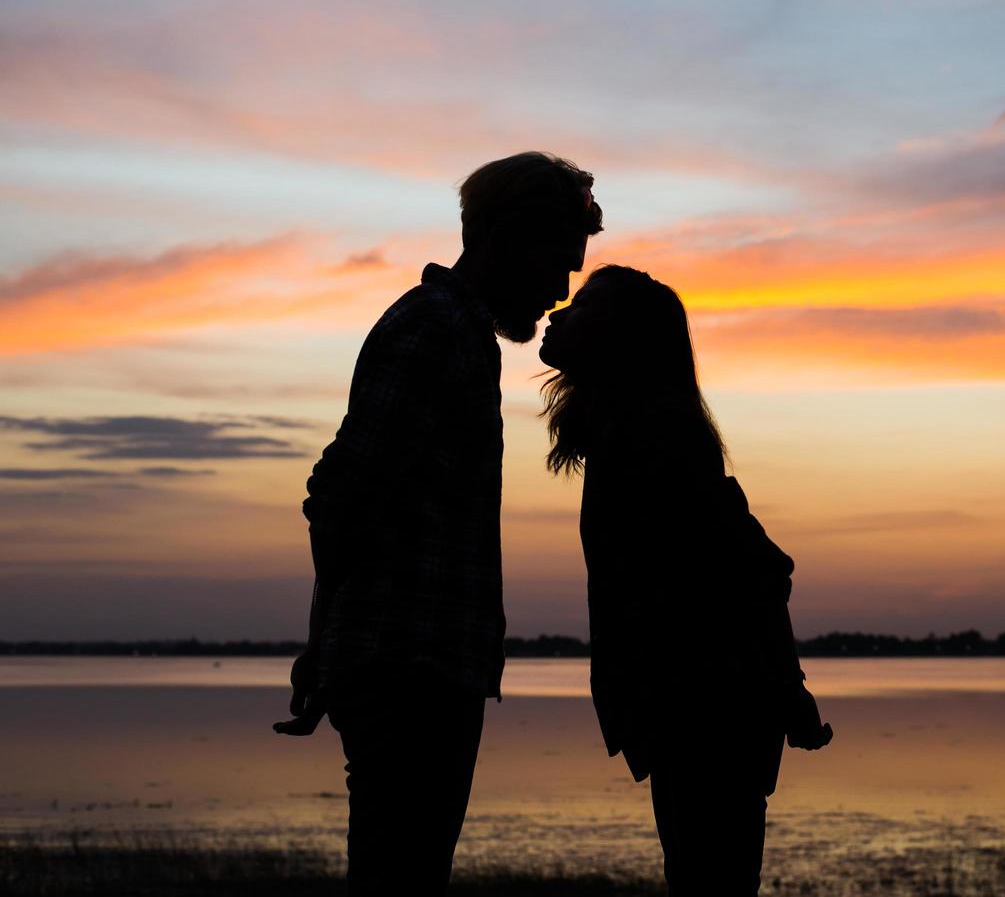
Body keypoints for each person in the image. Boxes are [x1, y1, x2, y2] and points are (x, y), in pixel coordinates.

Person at [273, 151, 603, 896]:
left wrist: (325, 642)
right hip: (407, 668)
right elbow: (340, 493)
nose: (558, 290)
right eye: (557, 262)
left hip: (422, 665)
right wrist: (327, 643)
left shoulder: (458, 334)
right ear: (500, 238)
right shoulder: (436, 329)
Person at [538, 264, 833, 896]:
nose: (560, 313)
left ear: (619, 337)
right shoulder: (629, 430)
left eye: (583, 309)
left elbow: (754, 570)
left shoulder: (656, 432)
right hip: (690, 703)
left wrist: (786, 689)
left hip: (710, 705)